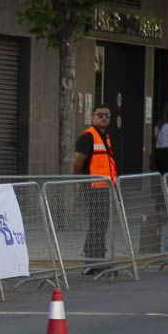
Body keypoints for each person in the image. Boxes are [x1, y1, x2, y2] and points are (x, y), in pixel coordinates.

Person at [71, 105, 118, 273]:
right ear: (92, 118)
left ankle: (95, 259)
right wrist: (78, 181)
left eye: (107, 115)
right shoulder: (88, 137)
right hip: (92, 187)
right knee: (97, 223)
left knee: (100, 223)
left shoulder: (105, 137)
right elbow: (77, 161)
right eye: (100, 115)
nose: (104, 118)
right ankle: (92, 260)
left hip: (104, 187)